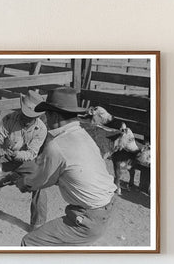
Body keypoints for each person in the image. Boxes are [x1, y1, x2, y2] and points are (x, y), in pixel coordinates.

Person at [15, 87, 117, 246]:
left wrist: (21, 182)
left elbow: (39, 181)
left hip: (88, 219)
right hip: (106, 208)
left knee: (30, 242)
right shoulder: (84, 135)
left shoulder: (57, 145)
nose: (46, 119)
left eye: (47, 114)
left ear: (54, 115)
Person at [0, 90, 48, 229]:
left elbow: (32, 153)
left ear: (37, 116)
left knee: (40, 183)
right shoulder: (9, 119)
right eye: (24, 114)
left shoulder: (41, 129)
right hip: (3, 159)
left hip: (24, 162)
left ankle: (37, 225)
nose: (26, 118)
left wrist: (17, 155)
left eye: (30, 116)